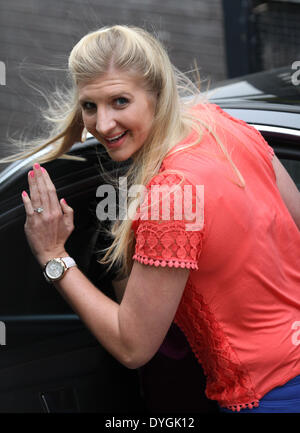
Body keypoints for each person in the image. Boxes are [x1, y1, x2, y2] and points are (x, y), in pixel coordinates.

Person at [4, 25, 300, 413]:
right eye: (90, 106)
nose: (103, 123)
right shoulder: (219, 123)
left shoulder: (170, 197)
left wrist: (53, 256)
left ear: (157, 93)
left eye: (120, 101)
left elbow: (133, 346)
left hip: (271, 398)